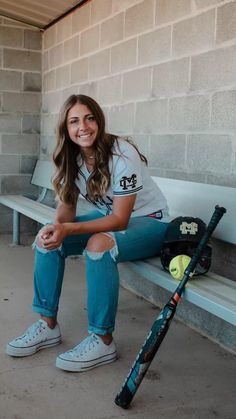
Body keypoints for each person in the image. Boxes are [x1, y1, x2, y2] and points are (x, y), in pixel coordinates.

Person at [6, 94, 169, 372]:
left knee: (98, 244)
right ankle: (47, 326)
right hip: (113, 218)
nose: (83, 126)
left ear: (99, 120)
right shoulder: (71, 157)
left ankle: (103, 340)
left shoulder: (121, 152)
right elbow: (66, 208)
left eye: (89, 117)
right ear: (66, 128)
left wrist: (68, 228)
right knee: (47, 240)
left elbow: (119, 219)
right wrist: (58, 227)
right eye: (74, 121)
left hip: (151, 222)